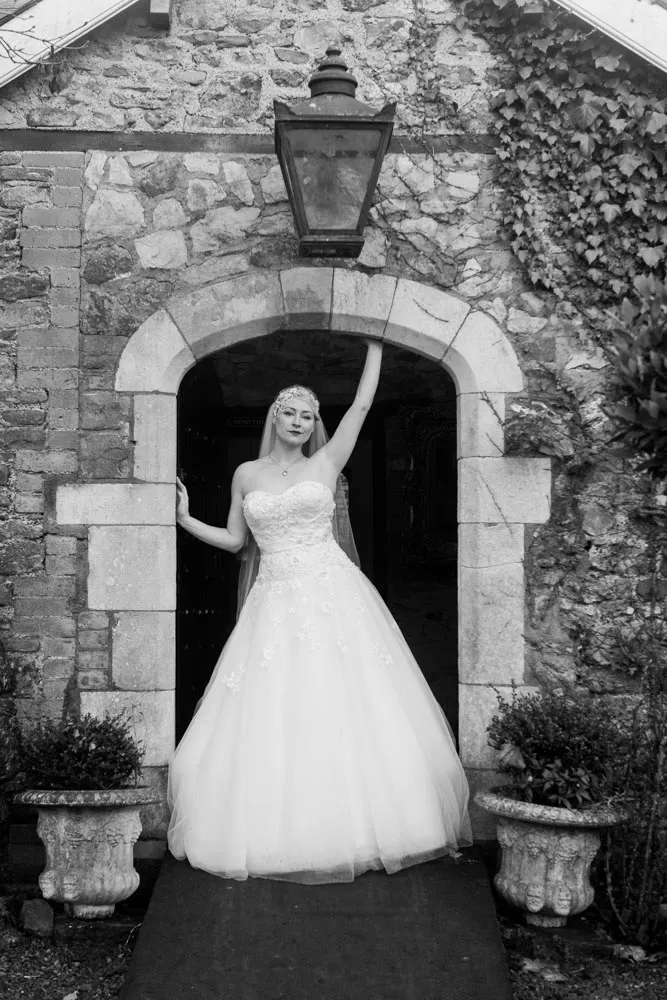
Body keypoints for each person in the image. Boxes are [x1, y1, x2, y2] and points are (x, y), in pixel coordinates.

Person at [167, 339, 472, 884]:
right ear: (274, 417)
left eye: (308, 416)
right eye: (290, 412)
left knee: (347, 696)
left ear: (315, 425)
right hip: (274, 598)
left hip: (331, 591)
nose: (299, 422)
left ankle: (369, 827)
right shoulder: (246, 474)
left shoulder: (328, 462)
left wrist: (375, 342)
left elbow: (360, 405)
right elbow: (237, 540)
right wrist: (186, 519)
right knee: (271, 703)